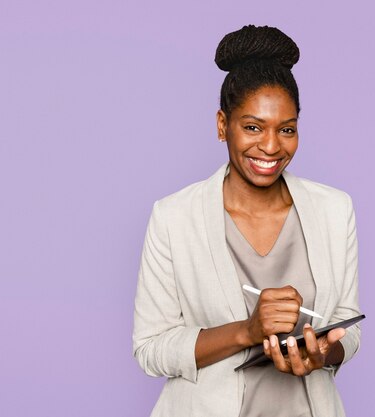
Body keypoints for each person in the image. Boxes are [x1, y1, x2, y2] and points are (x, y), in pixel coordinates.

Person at [132, 24, 362, 417]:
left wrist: (323, 353)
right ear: (223, 125)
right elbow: (151, 349)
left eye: (286, 129)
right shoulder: (174, 217)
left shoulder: (334, 210)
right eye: (253, 127)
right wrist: (247, 332)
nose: (271, 146)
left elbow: (348, 327)